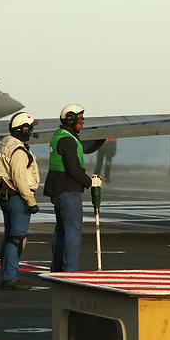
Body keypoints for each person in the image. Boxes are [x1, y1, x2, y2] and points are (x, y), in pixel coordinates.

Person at [43, 104, 101, 272]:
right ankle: (70, 270)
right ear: (70, 119)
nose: (82, 122)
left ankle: (57, 267)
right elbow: (73, 169)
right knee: (72, 231)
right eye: (79, 119)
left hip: (57, 188)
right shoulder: (68, 140)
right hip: (68, 190)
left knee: (61, 230)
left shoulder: (58, 135)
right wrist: (90, 182)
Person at [0, 112, 40, 290]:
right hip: (17, 197)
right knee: (17, 238)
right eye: (30, 127)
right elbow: (19, 178)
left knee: (9, 237)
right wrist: (31, 201)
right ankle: (10, 278)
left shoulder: (4, 142)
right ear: (24, 129)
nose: (32, 131)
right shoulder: (19, 150)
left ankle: (7, 276)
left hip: (5, 195)